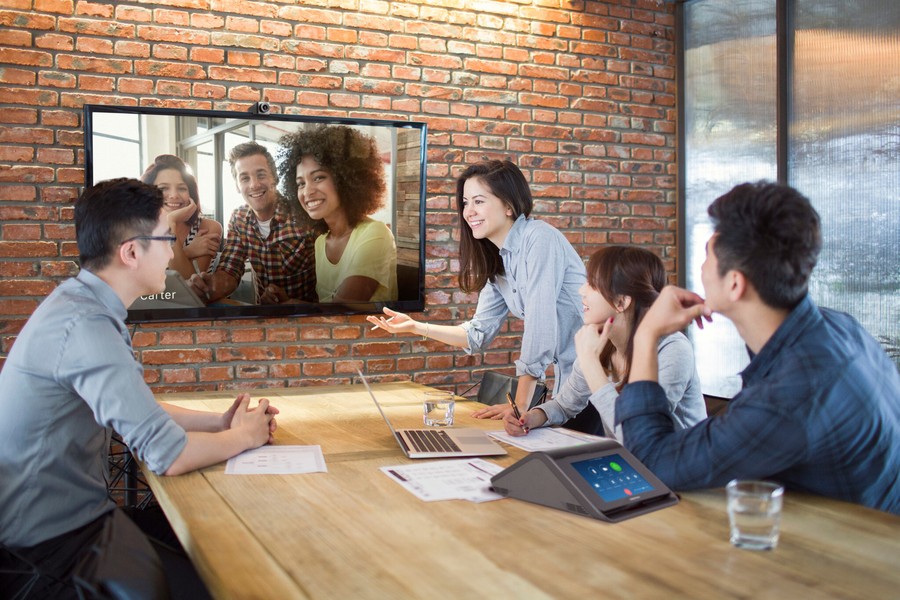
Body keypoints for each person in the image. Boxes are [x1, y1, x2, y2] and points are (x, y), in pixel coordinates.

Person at [0, 178, 279, 597]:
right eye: (167, 239)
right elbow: (168, 454)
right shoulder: (87, 327)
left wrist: (220, 424)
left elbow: (139, 411)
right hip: (46, 543)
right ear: (131, 252)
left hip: (59, 520)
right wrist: (246, 436)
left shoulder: (80, 304)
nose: (173, 251)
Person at [617, 181, 900, 513]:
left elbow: (650, 463)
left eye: (708, 253)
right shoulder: (840, 328)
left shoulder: (790, 395)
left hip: (852, 558)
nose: (703, 267)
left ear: (735, 283)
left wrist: (647, 334)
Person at [368, 160, 600, 431]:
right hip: (566, 392)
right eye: (465, 203)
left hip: (595, 382)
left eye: (478, 201)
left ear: (509, 205)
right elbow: (476, 334)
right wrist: (416, 327)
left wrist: (521, 404)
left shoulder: (539, 238)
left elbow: (541, 326)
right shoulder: (498, 261)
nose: (469, 212)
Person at [503, 246, 706, 440]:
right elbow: (564, 405)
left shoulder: (673, 350)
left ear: (621, 302)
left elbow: (635, 435)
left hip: (672, 472)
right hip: (628, 465)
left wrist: (591, 364)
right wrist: (533, 417)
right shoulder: (601, 342)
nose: (581, 290)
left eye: (592, 284)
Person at [279, 125, 397, 302]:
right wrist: (284, 300)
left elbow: (343, 307)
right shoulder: (320, 243)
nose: (307, 192)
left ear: (344, 179)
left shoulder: (375, 233)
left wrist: (289, 305)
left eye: (318, 177)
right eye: (300, 183)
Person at [189, 141, 317, 304]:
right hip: (263, 318)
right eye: (244, 178)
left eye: (261, 174)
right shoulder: (238, 218)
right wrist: (209, 286)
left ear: (274, 177)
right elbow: (230, 269)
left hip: (307, 319)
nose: (254, 184)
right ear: (237, 185)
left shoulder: (304, 214)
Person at [140, 154, 223, 279]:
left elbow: (190, 285)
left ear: (191, 194)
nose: (174, 195)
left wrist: (170, 222)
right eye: (163, 188)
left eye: (182, 188)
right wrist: (187, 252)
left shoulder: (208, 227)